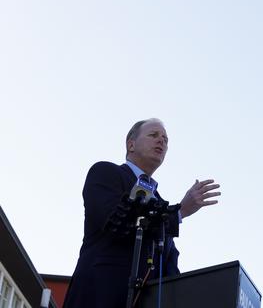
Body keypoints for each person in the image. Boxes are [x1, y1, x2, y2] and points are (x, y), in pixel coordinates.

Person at [63, 118, 221, 308]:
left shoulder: (161, 204)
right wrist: (181, 211)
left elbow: (168, 265)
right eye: (154, 135)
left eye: (165, 139)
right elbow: (116, 223)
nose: (161, 141)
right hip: (99, 295)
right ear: (131, 144)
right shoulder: (106, 172)